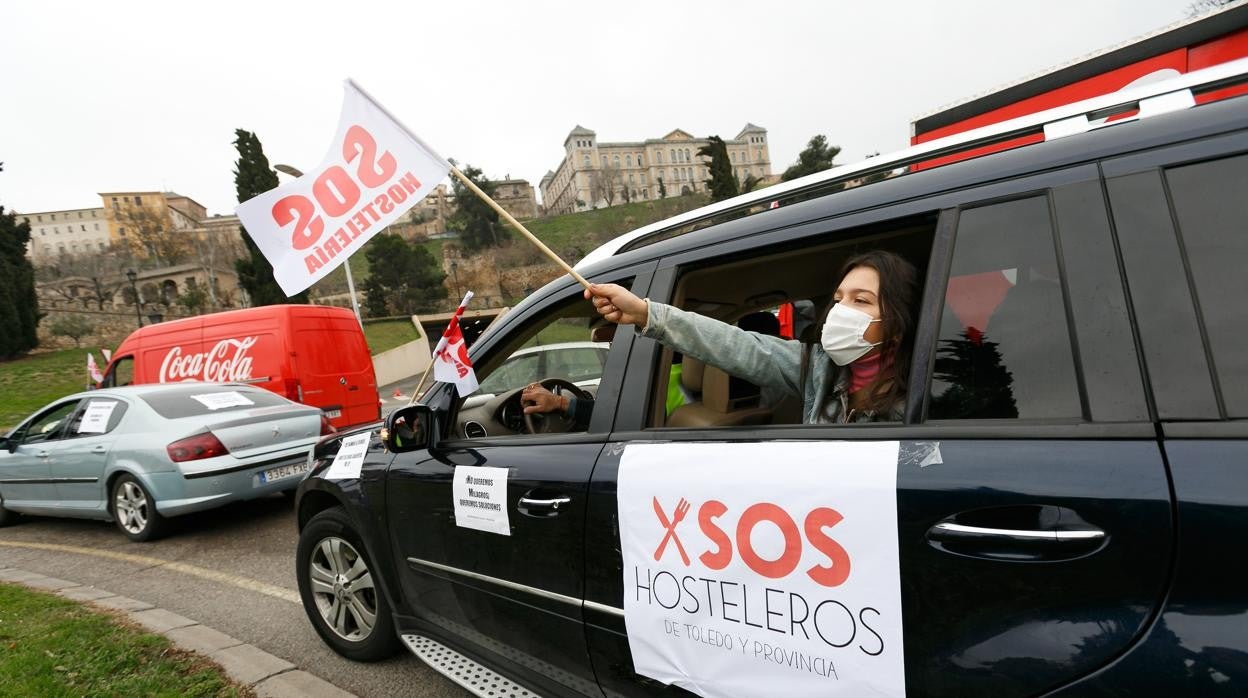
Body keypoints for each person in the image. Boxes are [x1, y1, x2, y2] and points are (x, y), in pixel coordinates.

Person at [583, 250, 919, 424]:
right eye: (837, 300)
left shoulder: (925, 394)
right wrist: (645, 313)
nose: (840, 312)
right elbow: (736, 346)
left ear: (897, 322)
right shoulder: (818, 368)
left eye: (860, 300)